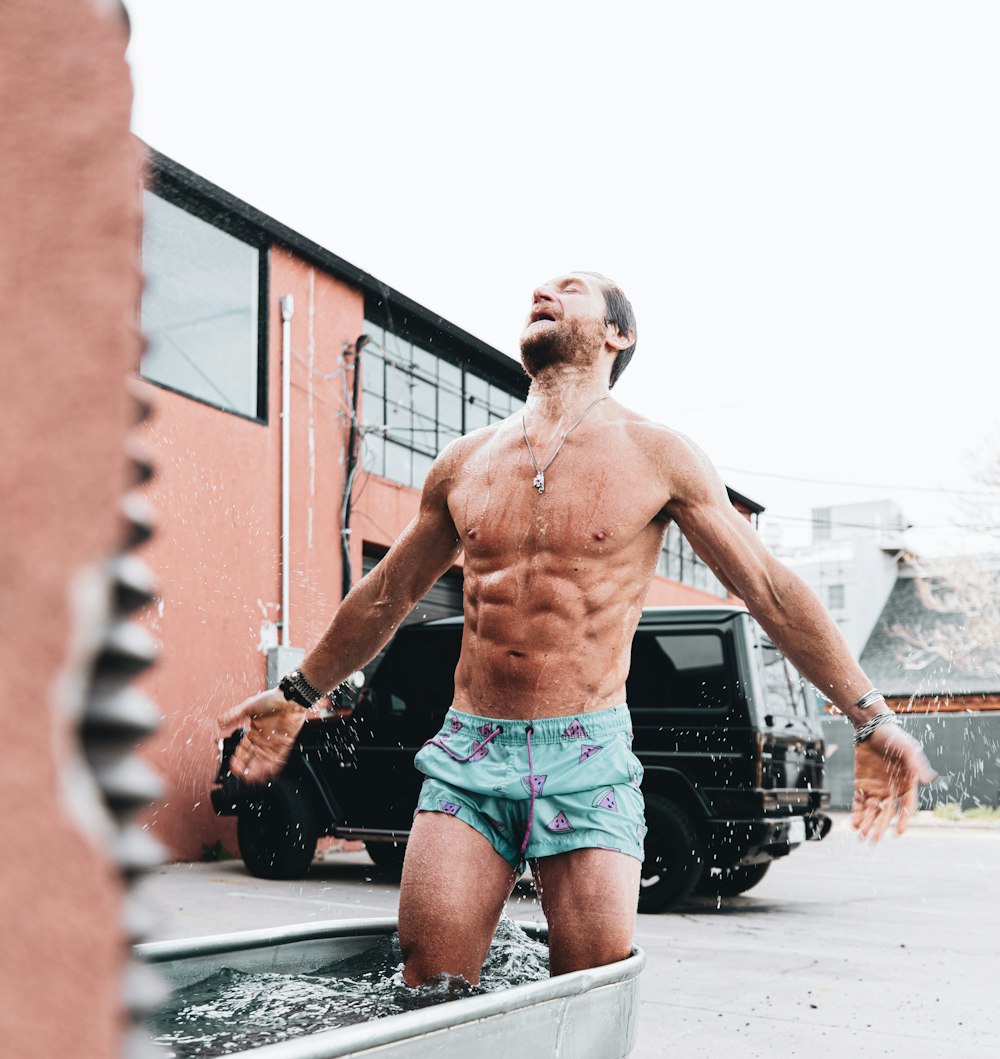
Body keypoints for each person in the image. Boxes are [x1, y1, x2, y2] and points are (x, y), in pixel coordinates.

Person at [220, 272, 934, 985]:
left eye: (570, 289)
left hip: (588, 756)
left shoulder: (659, 456)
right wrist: (296, 691)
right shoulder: (466, 464)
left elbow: (771, 592)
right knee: (428, 980)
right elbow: (387, 593)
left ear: (617, 335)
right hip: (469, 751)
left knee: (589, 983)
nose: (544, 293)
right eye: (538, 290)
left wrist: (871, 721)